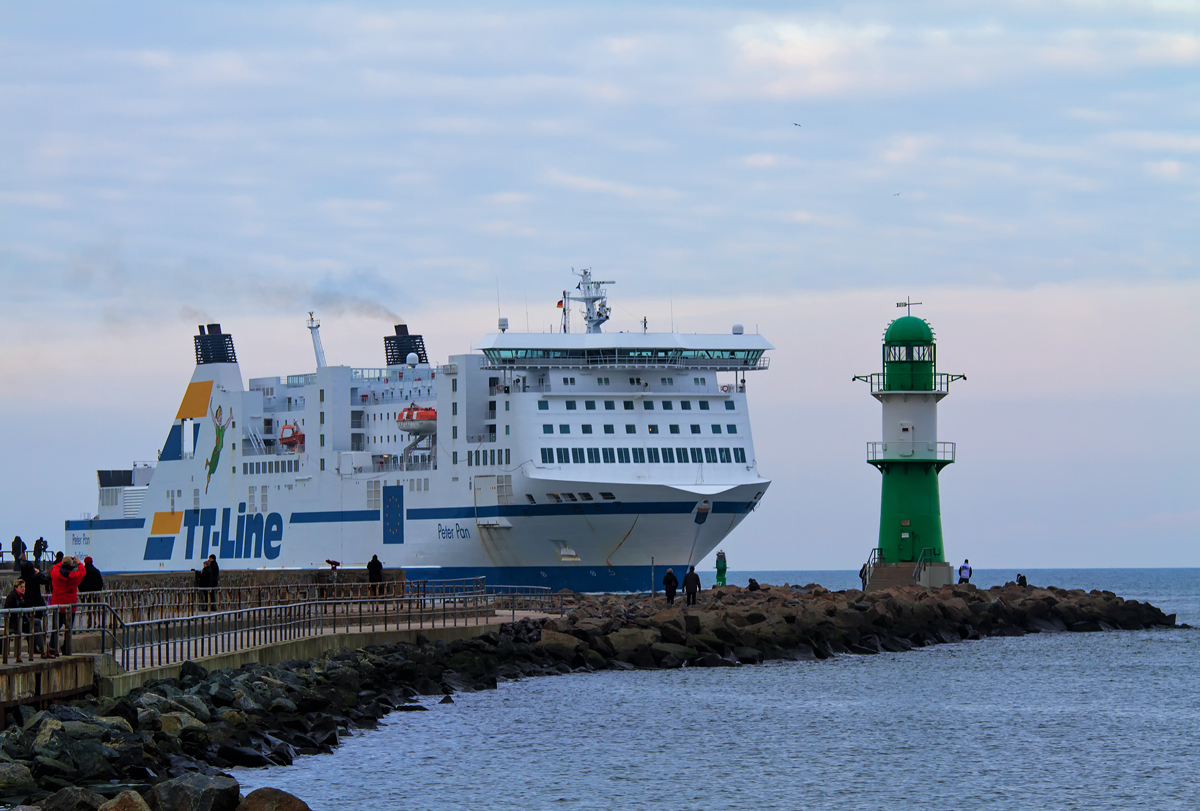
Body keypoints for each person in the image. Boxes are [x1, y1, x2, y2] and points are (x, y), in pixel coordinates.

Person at [49, 555, 86, 655]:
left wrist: (64, 561)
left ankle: (52, 646)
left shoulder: (55, 574)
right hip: (70, 606)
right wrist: (79, 562)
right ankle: (66, 648)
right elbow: (83, 573)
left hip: (57, 605)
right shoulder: (74, 577)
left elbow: (53, 568)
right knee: (68, 629)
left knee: (55, 628)